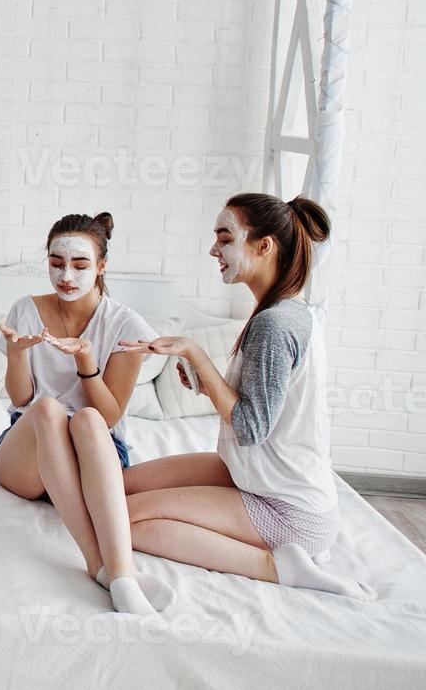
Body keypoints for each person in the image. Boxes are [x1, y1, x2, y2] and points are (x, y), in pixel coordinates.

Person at [116, 193, 372, 600]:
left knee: (121, 520)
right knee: (120, 488)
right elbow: (269, 401)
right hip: (257, 477)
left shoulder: (275, 323)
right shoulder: (286, 308)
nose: (213, 249)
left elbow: (251, 428)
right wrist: (201, 376)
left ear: (264, 245)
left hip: (289, 511)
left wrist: (194, 351)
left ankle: (279, 566)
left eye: (225, 238)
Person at [0, 212, 168, 614]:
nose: (66, 275)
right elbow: (22, 400)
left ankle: (121, 575)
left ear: (102, 266)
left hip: (95, 454)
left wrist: (86, 361)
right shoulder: (25, 309)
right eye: (56, 263)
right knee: (47, 409)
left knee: (86, 418)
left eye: (80, 265)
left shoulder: (125, 324)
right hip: (29, 456)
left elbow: (107, 416)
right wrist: (17, 355)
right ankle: (99, 565)